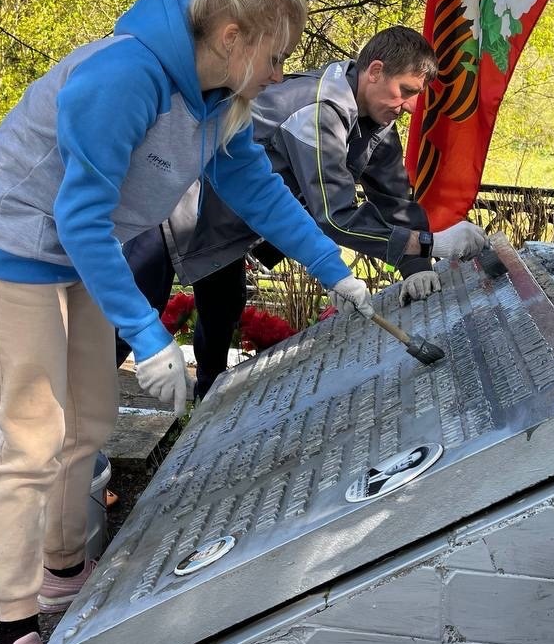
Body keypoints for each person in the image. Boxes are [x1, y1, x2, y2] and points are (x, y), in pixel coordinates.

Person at [0, 0, 374, 644]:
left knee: (90, 421)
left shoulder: (220, 99)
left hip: (86, 247)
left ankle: (61, 569)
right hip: (20, 242)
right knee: (31, 438)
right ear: (232, 36)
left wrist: (333, 271)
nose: (281, 73)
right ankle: (12, 636)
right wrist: (151, 337)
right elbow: (78, 216)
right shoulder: (127, 76)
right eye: (276, 55)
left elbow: (257, 190)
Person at [114, 26, 489, 398]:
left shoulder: (376, 124)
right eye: (406, 91)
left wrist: (417, 267)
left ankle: (203, 409)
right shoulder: (318, 110)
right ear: (375, 71)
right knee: (128, 320)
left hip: (228, 228)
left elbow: (394, 201)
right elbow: (335, 215)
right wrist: (429, 243)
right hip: (174, 210)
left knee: (223, 310)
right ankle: (83, 410)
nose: (410, 106)